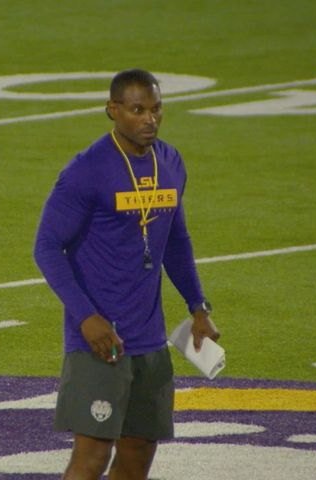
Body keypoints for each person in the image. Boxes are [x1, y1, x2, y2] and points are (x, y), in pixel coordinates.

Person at [33, 69, 220, 480]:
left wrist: (198, 307)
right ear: (113, 110)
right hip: (100, 341)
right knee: (92, 457)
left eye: (156, 109)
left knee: (138, 455)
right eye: (138, 110)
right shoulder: (87, 170)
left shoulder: (170, 162)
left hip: (150, 340)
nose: (149, 119)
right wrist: (86, 317)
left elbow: (176, 241)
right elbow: (46, 247)